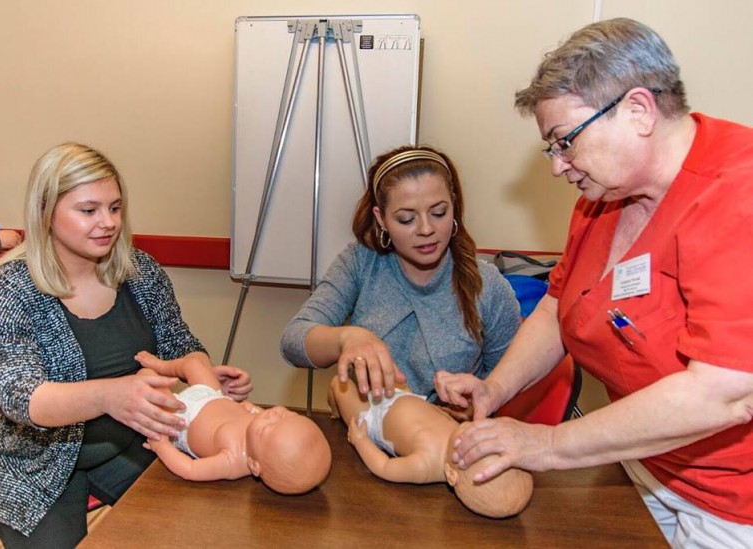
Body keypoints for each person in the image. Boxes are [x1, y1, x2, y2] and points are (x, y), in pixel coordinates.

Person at [434, 18, 753, 547]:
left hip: (731, 503)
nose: (558, 167)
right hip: (641, 462)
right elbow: (559, 307)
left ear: (638, 110)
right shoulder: (603, 197)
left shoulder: (736, 197)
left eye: (564, 142)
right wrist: (497, 387)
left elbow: (724, 394)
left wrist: (548, 445)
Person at [0, 142, 251, 547]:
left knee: (205, 526)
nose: (107, 222)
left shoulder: (140, 271)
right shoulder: (10, 288)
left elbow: (180, 345)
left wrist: (205, 380)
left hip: (129, 443)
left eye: (115, 207)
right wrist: (108, 395)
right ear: (45, 211)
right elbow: (20, 399)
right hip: (33, 462)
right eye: (89, 210)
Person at [280, 145, 521, 402]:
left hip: (450, 435)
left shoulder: (487, 285)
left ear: (454, 206)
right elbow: (293, 341)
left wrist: (476, 403)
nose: (426, 229)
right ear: (381, 219)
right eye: (406, 219)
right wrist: (347, 338)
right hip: (365, 431)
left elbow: (509, 382)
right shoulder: (361, 263)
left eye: (439, 213)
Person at [328, 375, 533, 518]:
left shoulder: (424, 465)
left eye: (472, 448)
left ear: (451, 475)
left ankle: (336, 409)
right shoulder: (458, 435)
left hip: (372, 418)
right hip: (405, 395)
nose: (476, 435)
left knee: (341, 384)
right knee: (385, 368)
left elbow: (383, 467)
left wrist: (361, 440)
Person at [135, 351, 332, 494]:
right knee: (194, 364)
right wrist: (244, 405)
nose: (272, 415)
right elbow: (247, 409)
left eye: (267, 428)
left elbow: (189, 469)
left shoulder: (233, 461)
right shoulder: (264, 430)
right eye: (287, 415)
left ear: (255, 466)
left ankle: (152, 373)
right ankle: (161, 365)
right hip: (212, 396)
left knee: (146, 380)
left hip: (180, 420)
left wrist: (161, 446)